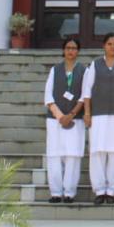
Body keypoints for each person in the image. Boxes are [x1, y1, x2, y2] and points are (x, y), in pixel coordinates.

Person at [81, 32, 114, 205]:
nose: (113, 47)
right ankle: (99, 190)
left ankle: (111, 190)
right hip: (98, 115)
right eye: (110, 44)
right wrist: (87, 113)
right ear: (104, 46)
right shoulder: (95, 65)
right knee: (97, 152)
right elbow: (87, 91)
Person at [43, 37, 85, 204]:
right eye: (68, 48)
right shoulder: (55, 70)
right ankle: (55, 192)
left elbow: (84, 96)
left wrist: (71, 115)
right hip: (55, 120)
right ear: (63, 50)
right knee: (54, 155)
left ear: (78, 51)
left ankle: (69, 193)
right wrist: (60, 116)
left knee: (73, 155)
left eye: (74, 48)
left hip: (76, 119)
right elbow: (48, 95)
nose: (70, 51)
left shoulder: (84, 70)